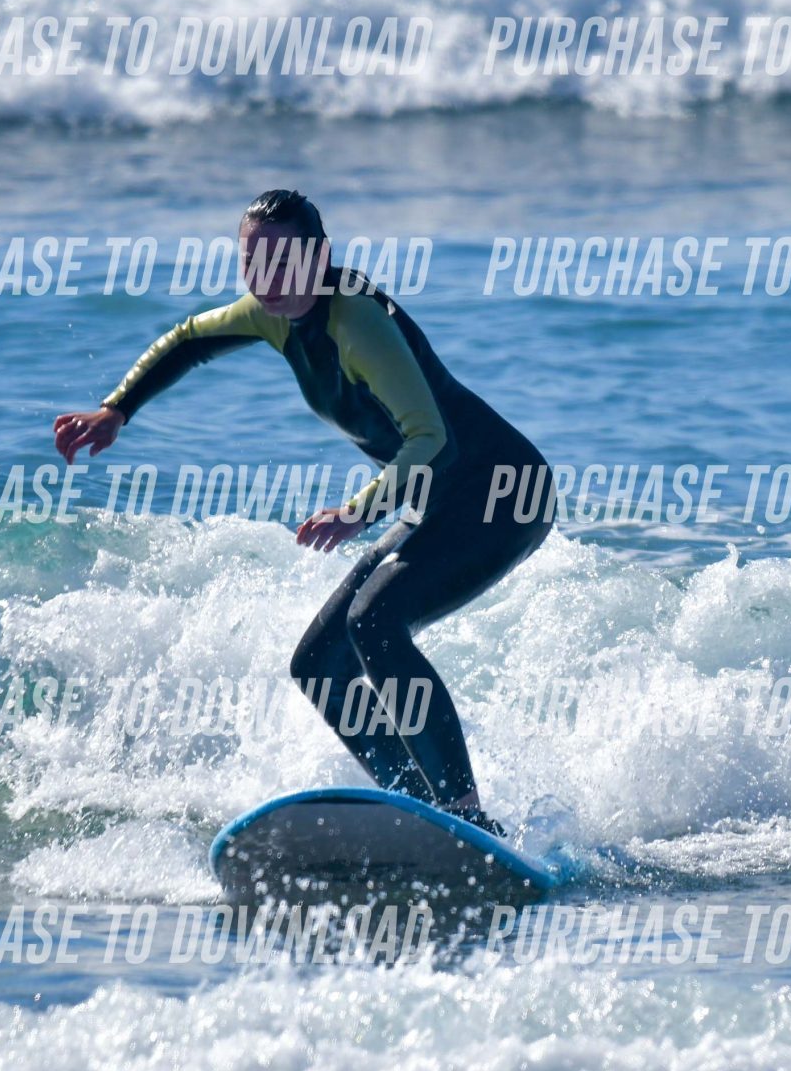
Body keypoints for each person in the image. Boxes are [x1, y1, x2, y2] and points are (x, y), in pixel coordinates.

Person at [54, 191, 551, 834]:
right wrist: (116, 409)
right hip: (439, 500)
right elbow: (188, 339)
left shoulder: (358, 321)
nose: (267, 278)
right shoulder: (274, 315)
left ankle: (464, 813)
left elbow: (430, 439)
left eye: (284, 261)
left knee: (375, 623)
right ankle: (422, 811)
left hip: (503, 494)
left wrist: (358, 512)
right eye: (252, 263)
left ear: (320, 256)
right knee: (318, 665)